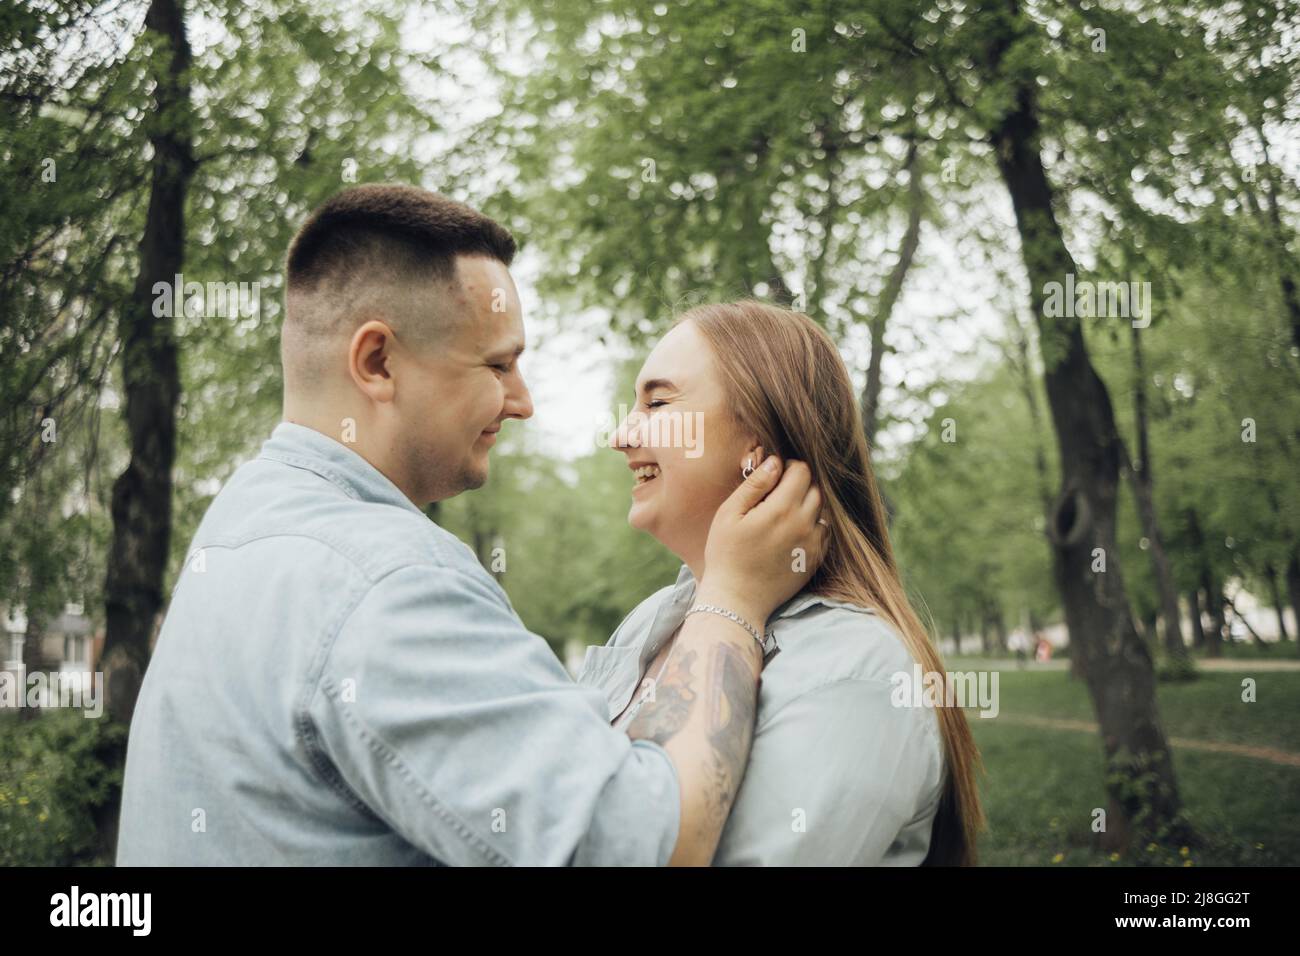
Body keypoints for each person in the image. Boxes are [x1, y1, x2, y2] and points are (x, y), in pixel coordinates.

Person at [116, 185, 826, 866]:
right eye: (499, 364)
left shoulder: (241, 525)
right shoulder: (387, 581)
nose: (523, 402)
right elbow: (644, 843)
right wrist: (731, 600)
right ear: (378, 362)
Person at [577, 300, 985, 864]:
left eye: (658, 402)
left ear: (758, 447)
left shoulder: (856, 671)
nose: (621, 436)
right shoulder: (649, 621)